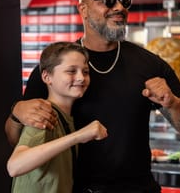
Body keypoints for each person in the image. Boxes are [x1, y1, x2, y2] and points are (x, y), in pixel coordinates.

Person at [5, 0, 180, 193]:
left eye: (124, 1)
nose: (119, 8)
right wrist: (17, 114)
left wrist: (172, 103)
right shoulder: (56, 69)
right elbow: (17, 142)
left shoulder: (150, 64)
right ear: (84, 9)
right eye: (108, 1)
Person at [7, 42, 108, 193]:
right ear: (47, 77)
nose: (81, 77)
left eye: (85, 72)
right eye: (71, 71)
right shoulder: (44, 115)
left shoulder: (65, 117)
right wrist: (79, 136)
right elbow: (14, 166)